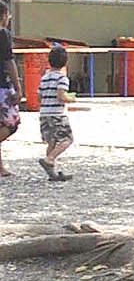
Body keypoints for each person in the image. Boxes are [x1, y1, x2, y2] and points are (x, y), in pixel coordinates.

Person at [35, 44, 74, 181]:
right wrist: (70, 99)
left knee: (51, 142)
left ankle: (52, 173)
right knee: (67, 139)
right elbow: (61, 96)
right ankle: (49, 159)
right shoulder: (62, 78)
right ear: (65, 62)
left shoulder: (44, 78)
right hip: (57, 114)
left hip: (44, 114)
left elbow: (39, 97)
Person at [0, 1, 18, 177]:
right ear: (4, 15)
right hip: (2, 87)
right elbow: (8, 61)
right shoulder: (3, 33)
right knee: (12, 123)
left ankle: (0, 167)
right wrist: (18, 87)